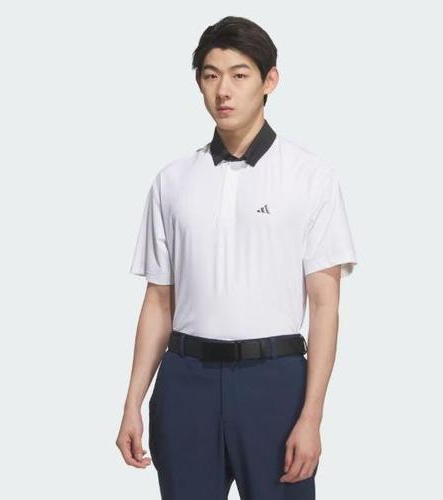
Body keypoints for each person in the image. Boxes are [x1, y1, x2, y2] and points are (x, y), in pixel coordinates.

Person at [116, 15, 358, 500]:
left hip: (274, 381)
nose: (223, 90)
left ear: (270, 81)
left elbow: (325, 305)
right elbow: (158, 300)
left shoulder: (309, 176)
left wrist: (311, 416)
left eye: (239, 74)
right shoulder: (172, 181)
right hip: (185, 381)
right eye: (211, 75)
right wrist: (131, 404)